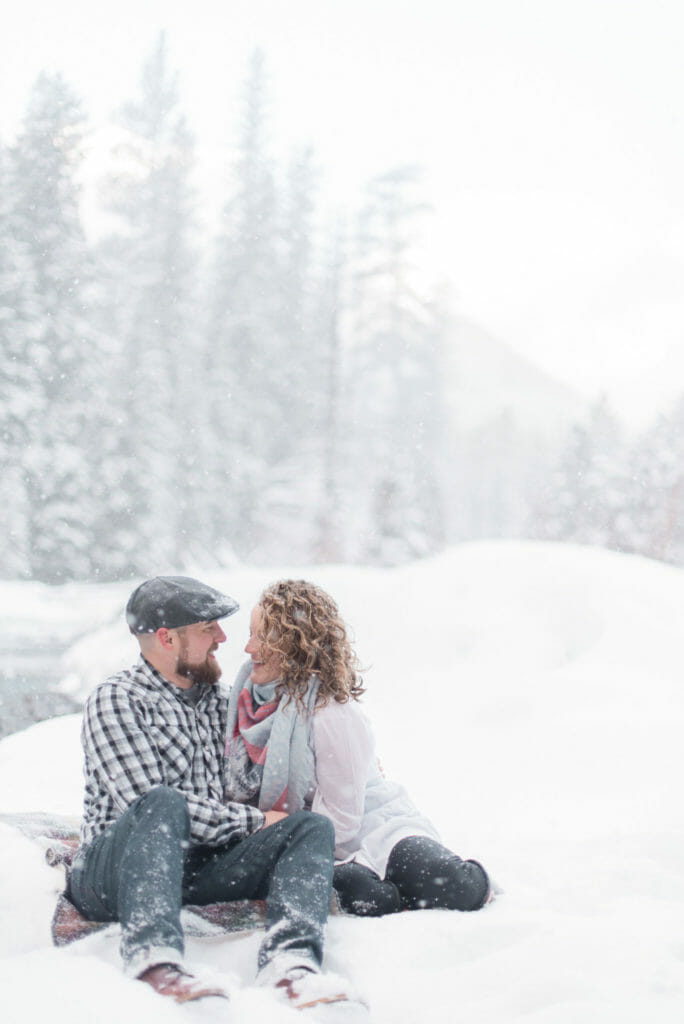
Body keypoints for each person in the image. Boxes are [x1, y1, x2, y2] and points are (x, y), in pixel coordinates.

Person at [67, 575, 361, 1011]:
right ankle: (155, 963)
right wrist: (255, 822)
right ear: (167, 638)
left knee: (309, 828)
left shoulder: (221, 703)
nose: (224, 638)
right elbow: (146, 804)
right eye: (209, 628)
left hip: (197, 865)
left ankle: (291, 965)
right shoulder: (118, 700)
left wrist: (348, 753)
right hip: (116, 871)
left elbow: (280, 747)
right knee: (163, 802)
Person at [226, 579, 491, 918]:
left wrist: (282, 831)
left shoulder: (331, 713)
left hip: (373, 826)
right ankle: (383, 889)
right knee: (365, 894)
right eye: (250, 633)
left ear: (295, 643)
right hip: (311, 843)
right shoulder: (244, 700)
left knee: (451, 886)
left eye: (263, 637)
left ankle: (440, 880)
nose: (249, 648)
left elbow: (344, 820)